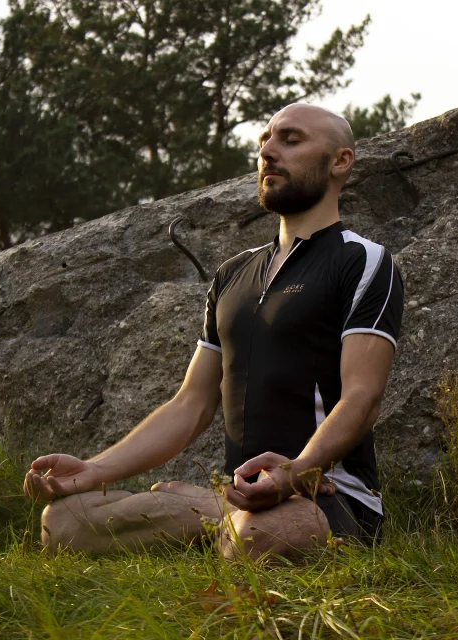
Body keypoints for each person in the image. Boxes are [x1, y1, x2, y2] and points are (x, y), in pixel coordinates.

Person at [24, 103, 404, 559]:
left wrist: (297, 470)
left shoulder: (361, 260)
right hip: (240, 495)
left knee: (270, 535)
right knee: (63, 522)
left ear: (340, 161)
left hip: (327, 496)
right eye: (264, 139)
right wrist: (93, 470)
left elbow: (362, 398)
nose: (268, 151)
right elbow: (190, 404)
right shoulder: (232, 273)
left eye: (291, 139)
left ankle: (212, 519)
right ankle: (219, 517)